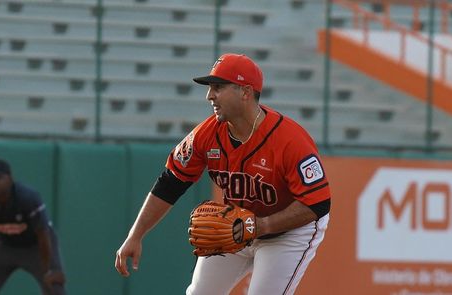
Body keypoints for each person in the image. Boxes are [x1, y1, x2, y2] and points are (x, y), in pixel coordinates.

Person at [115, 53, 332, 295]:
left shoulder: (290, 140)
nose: (210, 96)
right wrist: (135, 235)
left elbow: (318, 204)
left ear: (245, 92)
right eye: (210, 88)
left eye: (218, 87)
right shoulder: (206, 135)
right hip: (237, 227)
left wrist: (261, 225)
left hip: (289, 234)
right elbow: (170, 184)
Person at [0, 158, 66, 295]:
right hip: (5, 246)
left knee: (53, 285)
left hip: (36, 247)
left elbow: (43, 235)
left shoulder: (27, 198)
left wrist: (48, 269)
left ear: (10, 179)